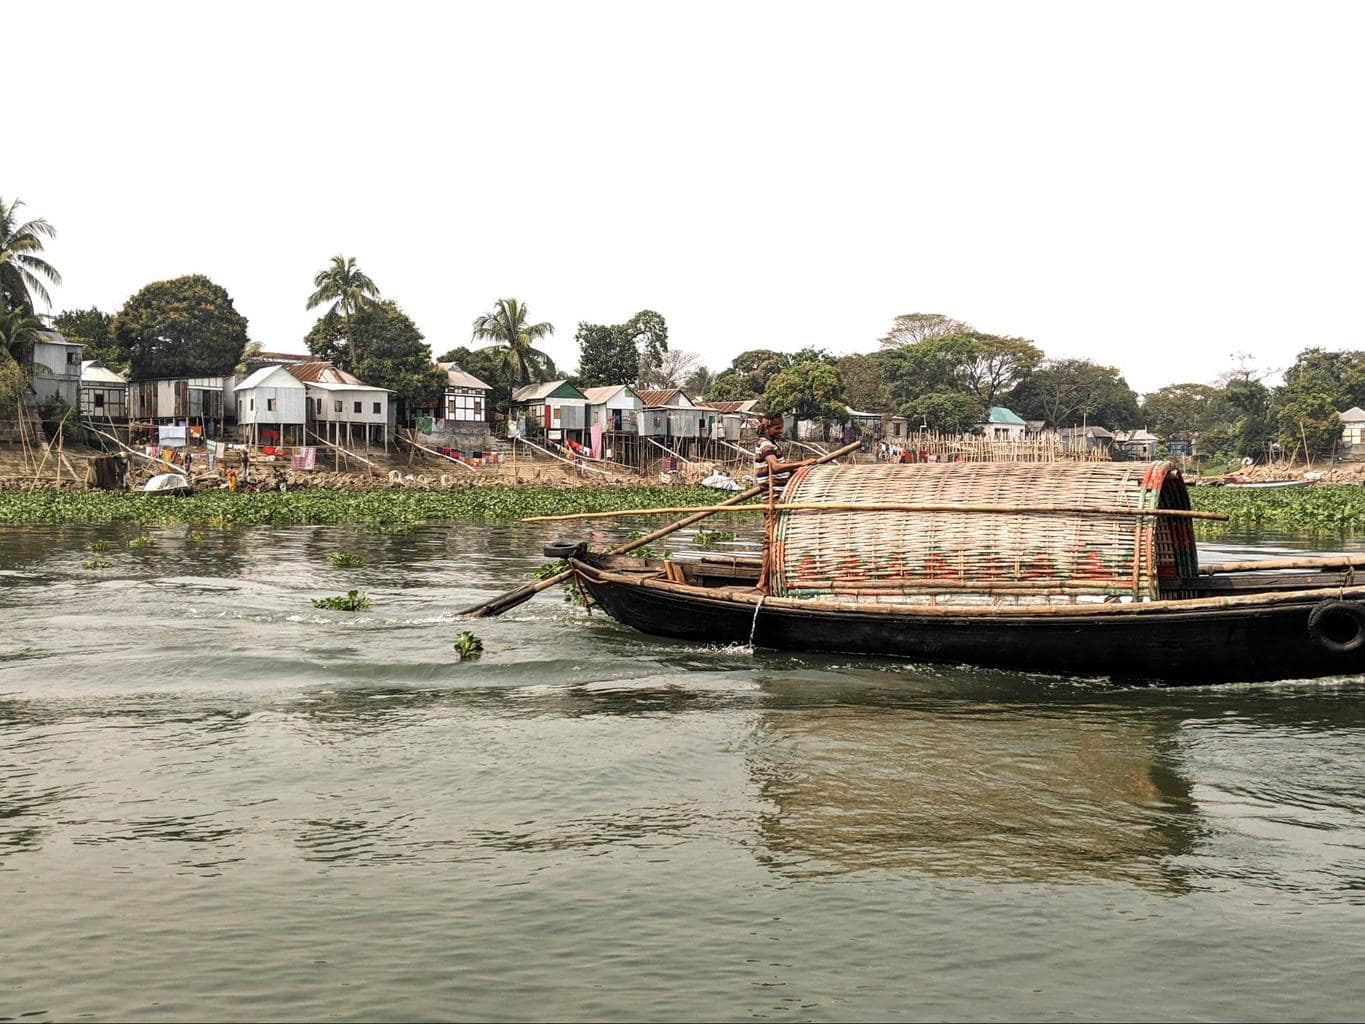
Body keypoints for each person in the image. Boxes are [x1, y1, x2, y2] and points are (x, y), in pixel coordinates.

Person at [754, 413, 812, 498]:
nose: (780, 431)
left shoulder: (772, 444)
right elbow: (775, 466)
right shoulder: (766, 444)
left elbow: (779, 467)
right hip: (773, 494)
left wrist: (796, 468)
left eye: (781, 428)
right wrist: (802, 463)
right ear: (767, 428)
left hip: (779, 492)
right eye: (777, 428)